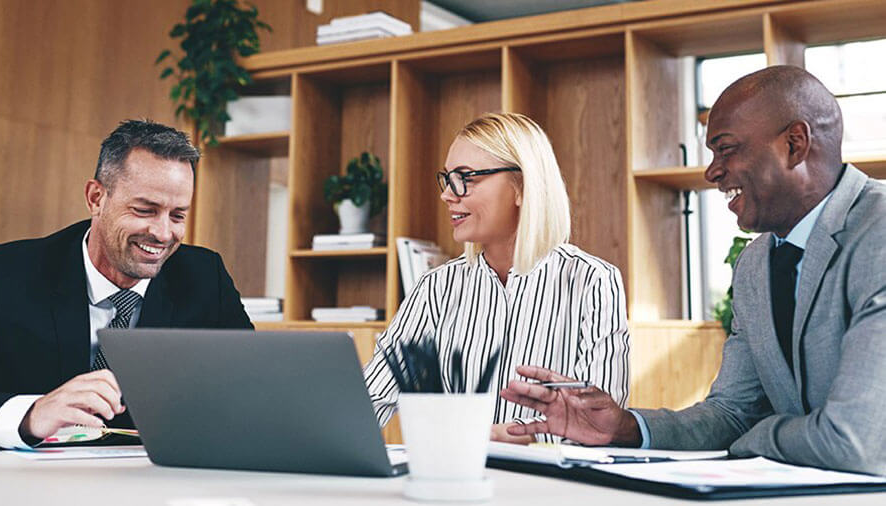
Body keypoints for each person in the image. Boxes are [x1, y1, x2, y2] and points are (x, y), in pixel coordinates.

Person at [501, 66, 886, 474]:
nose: (712, 172)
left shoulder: (877, 232)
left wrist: (759, 435)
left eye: (726, 149)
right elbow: (733, 414)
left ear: (794, 144)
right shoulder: (755, 264)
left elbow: (856, 441)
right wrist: (626, 427)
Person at [0, 119, 253, 449]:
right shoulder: (0, 275)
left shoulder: (205, 277)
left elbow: (250, 391)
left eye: (178, 215)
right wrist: (31, 414)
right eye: (145, 210)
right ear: (96, 197)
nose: (163, 233)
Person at [364, 112, 630, 443]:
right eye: (446, 179)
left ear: (523, 186)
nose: (448, 194)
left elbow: (599, 424)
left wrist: (513, 437)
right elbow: (370, 399)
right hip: (453, 484)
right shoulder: (436, 288)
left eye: (465, 178)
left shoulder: (593, 281)